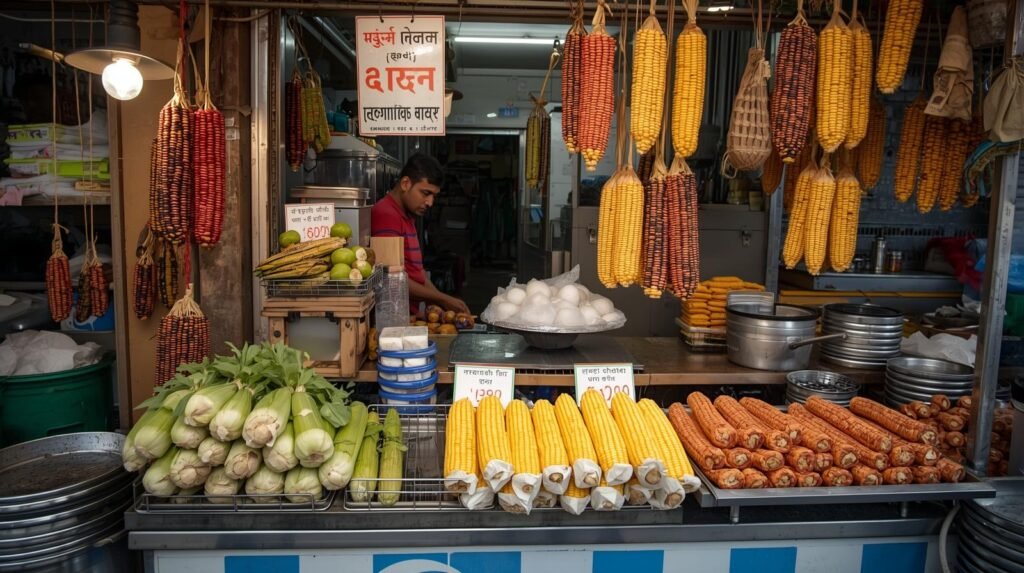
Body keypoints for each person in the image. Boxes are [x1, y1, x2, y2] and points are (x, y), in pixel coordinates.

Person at [371, 153, 470, 316]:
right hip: (395, 319)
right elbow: (390, 280)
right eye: (425, 193)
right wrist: (443, 299)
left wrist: (441, 300)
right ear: (405, 183)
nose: (430, 202)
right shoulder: (386, 214)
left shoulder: (407, 216)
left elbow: (417, 272)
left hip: (410, 315)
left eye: (433, 196)